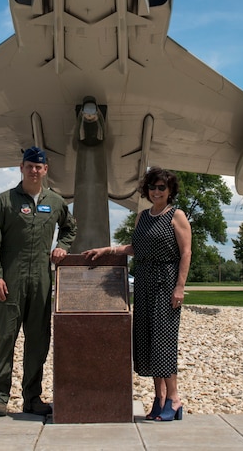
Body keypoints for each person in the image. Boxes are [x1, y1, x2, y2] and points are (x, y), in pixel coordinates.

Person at [83, 167, 191, 421]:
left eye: (161, 187)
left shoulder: (177, 215)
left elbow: (186, 252)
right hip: (143, 281)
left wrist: (180, 286)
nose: (156, 191)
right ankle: (159, 397)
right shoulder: (142, 217)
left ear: (170, 190)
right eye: (153, 187)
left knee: (164, 340)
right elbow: (137, 247)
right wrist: (107, 250)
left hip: (166, 281)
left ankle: (174, 399)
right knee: (148, 340)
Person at [0, 146, 77, 417]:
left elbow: (70, 228)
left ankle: (32, 397)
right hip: (9, 280)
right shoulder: (4, 201)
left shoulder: (56, 202)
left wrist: (62, 247)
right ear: (21, 168)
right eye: (29, 166)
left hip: (41, 282)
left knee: (38, 340)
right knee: (5, 339)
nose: (34, 171)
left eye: (39, 167)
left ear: (46, 170)